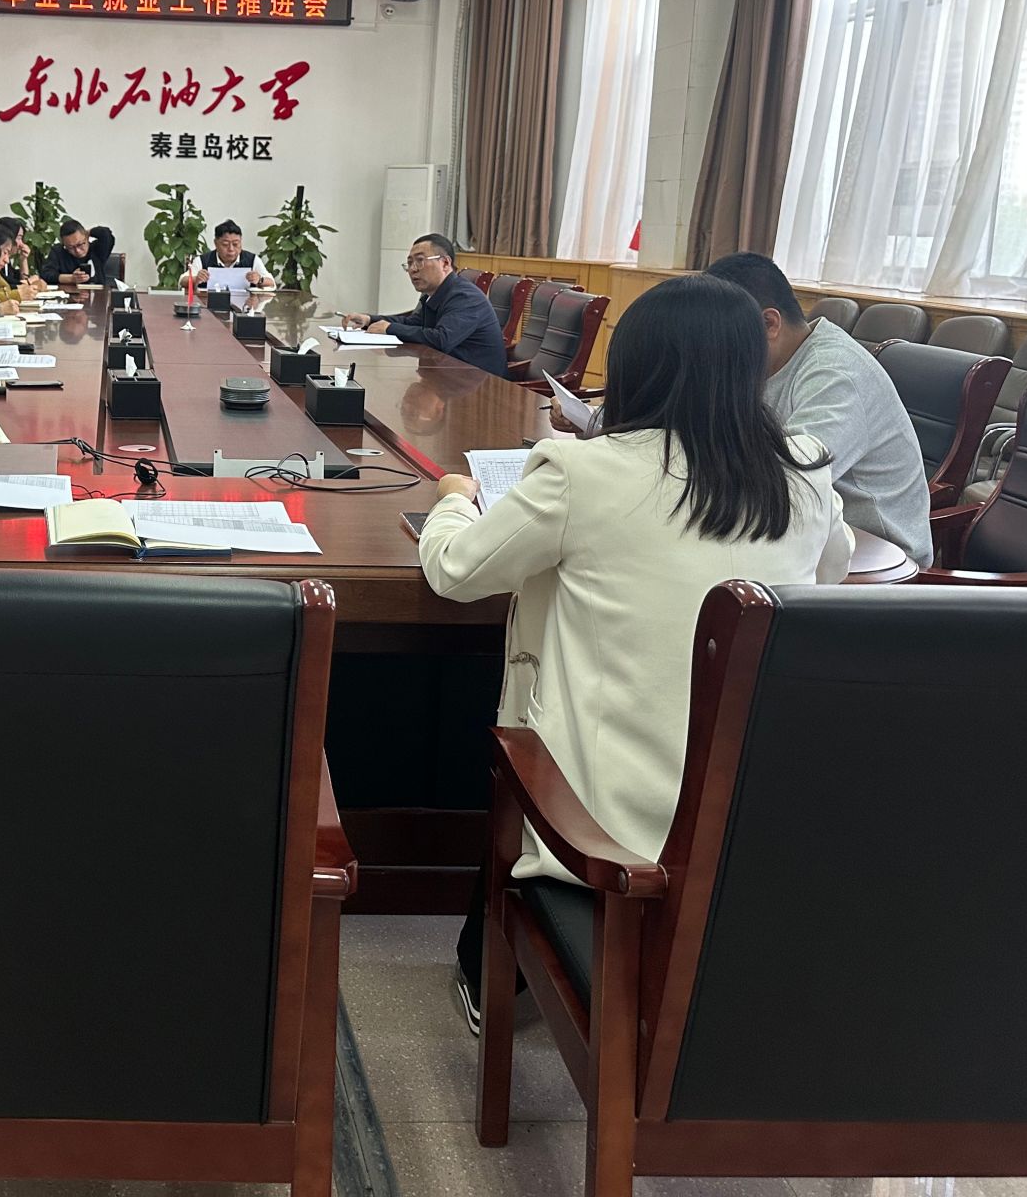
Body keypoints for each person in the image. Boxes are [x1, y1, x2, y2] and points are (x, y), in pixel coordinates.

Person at [418, 274, 852, 1031]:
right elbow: (832, 567)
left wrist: (454, 499)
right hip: (751, 817)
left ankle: (496, 976)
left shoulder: (585, 472)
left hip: (609, 832)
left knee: (515, 742)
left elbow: (456, 572)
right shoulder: (806, 468)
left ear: (635, 369)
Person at [705, 252, 934, 567]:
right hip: (811, 532)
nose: (716, 350)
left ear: (769, 323)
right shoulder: (769, 362)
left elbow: (788, 482)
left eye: (722, 337)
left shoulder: (835, 372)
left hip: (879, 555)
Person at [341, 233, 506, 377]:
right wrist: (369, 319)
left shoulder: (465, 297)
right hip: (450, 374)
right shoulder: (436, 293)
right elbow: (413, 323)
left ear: (445, 263)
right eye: (409, 263)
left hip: (481, 383)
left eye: (420, 261)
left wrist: (389, 328)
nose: (413, 269)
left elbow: (441, 339)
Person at [203, 219, 273, 288]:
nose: (231, 249)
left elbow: (272, 283)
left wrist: (259, 280)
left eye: (235, 244)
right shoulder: (202, 261)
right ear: (216, 243)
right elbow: (195, 282)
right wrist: (197, 280)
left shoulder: (252, 259)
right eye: (225, 244)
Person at [39, 219, 99, 286]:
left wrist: (90, 232)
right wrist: (71, 278)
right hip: (67, 291)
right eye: (71, 247)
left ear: (86, 237)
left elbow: (106, 234)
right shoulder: (58, 252)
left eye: (80, 244)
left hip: (98, 290)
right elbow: (46, 275)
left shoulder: (97, 249)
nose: (77, 250)